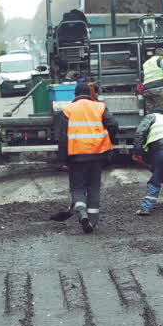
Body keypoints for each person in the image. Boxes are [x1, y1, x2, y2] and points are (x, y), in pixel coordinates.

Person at [53, 82, 119, 232]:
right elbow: (114, 124)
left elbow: (62, 137)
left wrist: (62, 160)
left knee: (77, 188)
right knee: (94, 188)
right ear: (90, 94)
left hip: (76, 156)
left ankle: (82, 214)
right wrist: (110, 140)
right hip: (97, 155)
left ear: (75, 95)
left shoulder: (67, 110)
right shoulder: (99, 107)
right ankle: (93, 222)